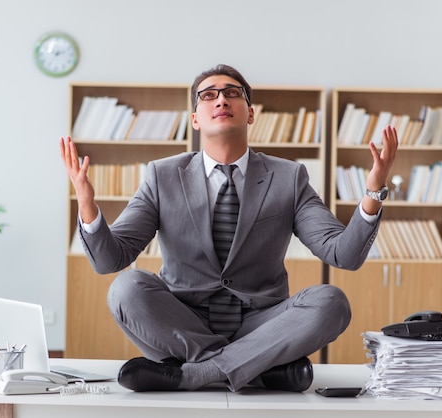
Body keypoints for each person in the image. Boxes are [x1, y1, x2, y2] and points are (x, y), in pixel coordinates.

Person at [60, 64, 398, 393]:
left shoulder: (288, 177)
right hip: (181, 323)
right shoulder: (162, 176)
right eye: (208, 95)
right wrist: (87, 204)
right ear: (195, 118)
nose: (221, 100)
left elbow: (342, 254)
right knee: (127, 287)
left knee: (332, 301)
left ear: (250, 113)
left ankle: (195, 374)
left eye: (232, 93)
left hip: (262, 326)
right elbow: (110, 260)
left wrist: (372, 193)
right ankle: (259, 371)